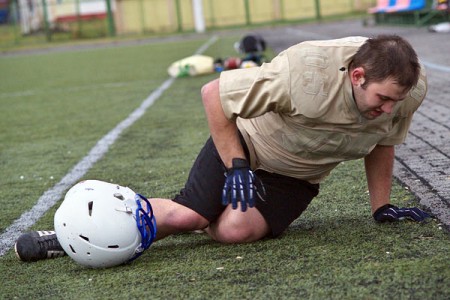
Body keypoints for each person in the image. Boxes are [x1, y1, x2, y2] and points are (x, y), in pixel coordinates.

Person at [15, 35, 431, 265]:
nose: (389, 109)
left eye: (396, 101)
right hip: (248, 144)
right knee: (185, 215)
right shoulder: (300, 74)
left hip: (297, 175)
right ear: (357, 76)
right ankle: (72, 238)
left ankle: (199, 217)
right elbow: (215, 93)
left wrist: (381, 206)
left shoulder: (406, 89)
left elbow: (384, 141)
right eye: (382, 98)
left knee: (235, 230)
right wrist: (236, 167)